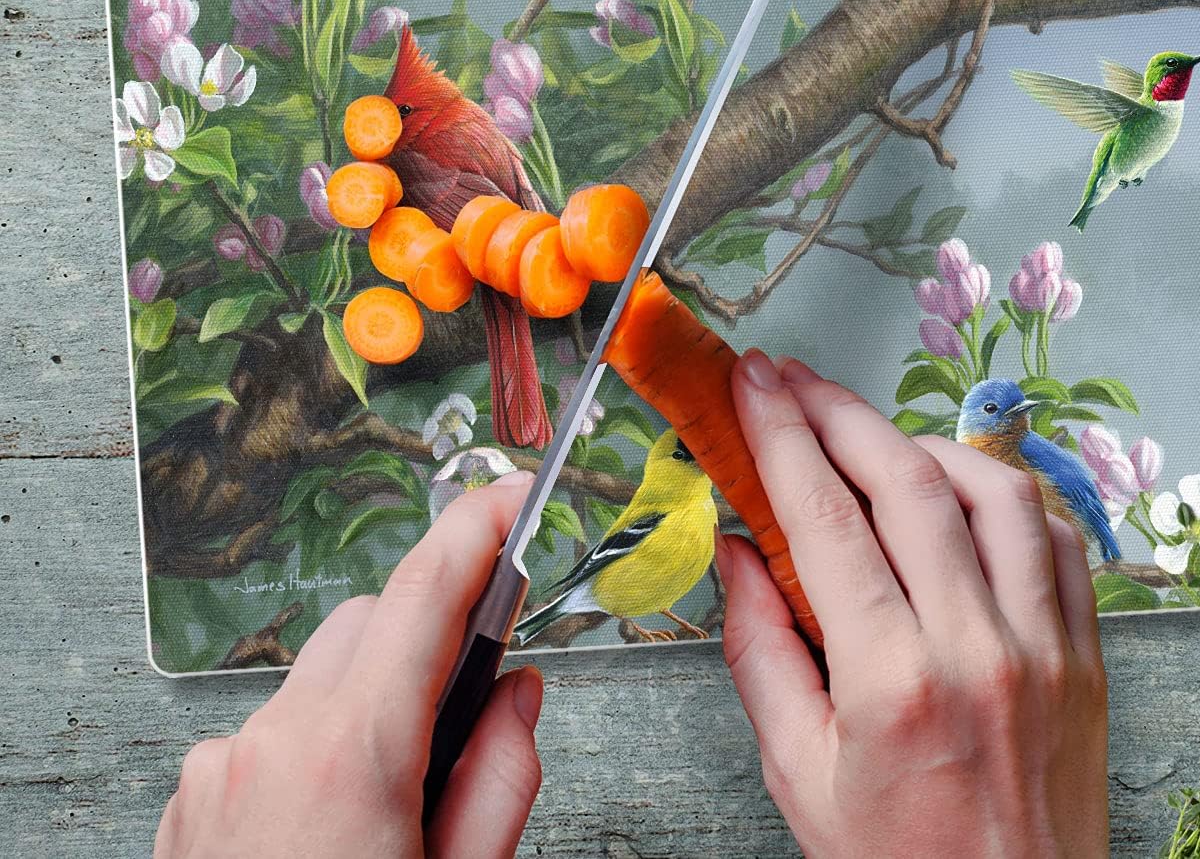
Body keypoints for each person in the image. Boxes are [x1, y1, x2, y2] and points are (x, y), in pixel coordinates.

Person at [155, 354, 1109, 858]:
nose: (699, 462)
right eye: (690, 454)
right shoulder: (668, 502)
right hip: (610, 590)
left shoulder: (686, 505)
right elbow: (609, 573)